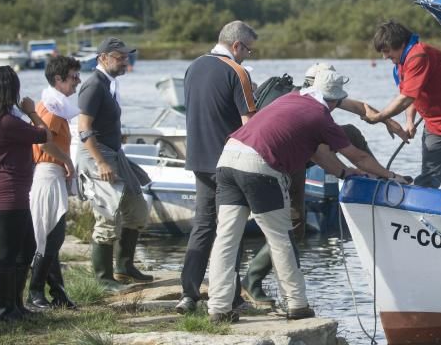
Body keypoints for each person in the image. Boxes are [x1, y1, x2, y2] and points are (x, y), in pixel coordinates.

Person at [207, 68, 408, 323]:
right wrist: (390, 176)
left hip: (228, 159)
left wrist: (346, 173)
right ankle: (297, 304)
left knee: (226, 238)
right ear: (333, 101)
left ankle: (219, 308)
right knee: (280, 237)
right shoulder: (321, 115)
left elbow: (318, 154)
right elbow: (359, 155)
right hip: (259, 167)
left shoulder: (289, 99)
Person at [175, 21, 258, 315]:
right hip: (228, 162)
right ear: (236, 46)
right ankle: (231, 297)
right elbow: (251, 124)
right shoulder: (237, 72)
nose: (248, 55)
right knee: (230, 229)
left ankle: (188, 293)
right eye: (248, 49)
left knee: (202, 225)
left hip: (197, 158)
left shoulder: (193, 67)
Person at [0, 66, 60, 320]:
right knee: (8, 254)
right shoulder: (7, 122)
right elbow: (44, 134)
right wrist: (32, 111)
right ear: (8, 90)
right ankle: (5, 309)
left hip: (9, 195)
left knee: (25, 248)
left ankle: (15, 305)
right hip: (8, 196)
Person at [365, 20, 441, 194]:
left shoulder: (418, 56)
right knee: (429, 176)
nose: (384, 57)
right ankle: (418, 213)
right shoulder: (399, 65)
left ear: (400, 44)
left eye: (386, 51)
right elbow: (411, 95)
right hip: (434, 123)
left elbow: (406, 98)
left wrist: (379, 117)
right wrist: (409, 121)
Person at [76, 37, 152, 292]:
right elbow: (83, 129)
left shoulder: (110, 84)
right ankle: (103, 278)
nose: (125, 62)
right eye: (119, 58)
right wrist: (100, 162)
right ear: (102, 58)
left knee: (138, 207)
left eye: (126, 57)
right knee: (107, 215)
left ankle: (124, 266)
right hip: (98, 155)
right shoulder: (93, 86)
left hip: (114, 153)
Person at [28, 56, 81, 309]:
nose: (78, 82)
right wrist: (67, 161)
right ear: (58, 79)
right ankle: (35, 291)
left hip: (52, 174)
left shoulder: (55, 105)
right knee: (51, 236)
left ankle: (57, 292)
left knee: (53, 236)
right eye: (73, 77)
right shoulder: (50, 108)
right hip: (48, 173)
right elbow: (42, 141)